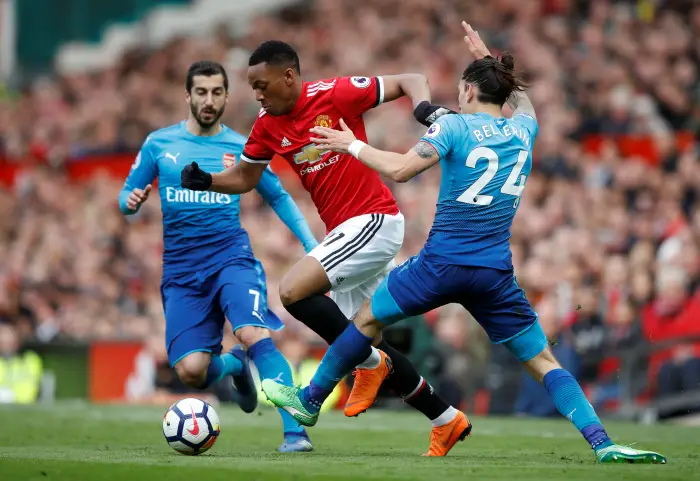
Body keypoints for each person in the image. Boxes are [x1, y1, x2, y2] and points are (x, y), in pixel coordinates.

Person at [261, 22, 668, 465]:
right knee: (543, 361)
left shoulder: (454, 128)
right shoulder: (524, 131)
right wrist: (492, 59)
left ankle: (311, 400)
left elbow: (399, 170)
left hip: (440, 265)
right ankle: (602, 443)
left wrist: (350, 144)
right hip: (493, 274)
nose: (456, 97)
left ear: (470, 92)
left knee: (364, 321)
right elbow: (522, 101)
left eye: (460, 90)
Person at [180, 40, 467, 456]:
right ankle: (446, 419)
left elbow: (411, 80)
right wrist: (207, 180)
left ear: (289, 77)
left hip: (374, 219)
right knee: (363, 341)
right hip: (349, 232)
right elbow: (244, 177)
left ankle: (359, 369)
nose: (257, 94)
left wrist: (424, 110)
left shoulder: (334, 94)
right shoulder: (267, 124)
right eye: (252, 86)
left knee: (293, 291)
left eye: (262, 85)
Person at [118, 60, 318, 453]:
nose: (209, 101)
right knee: (192, 372)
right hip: (181, 271)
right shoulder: (160, 144)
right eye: (201, 92)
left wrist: (312, 245)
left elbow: (277, 195)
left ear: (227, 96)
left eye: (217, 92)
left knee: (253, 332)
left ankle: (295, 432)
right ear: (188, 96)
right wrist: (131, 201)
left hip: (231, 258)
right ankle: (233, 365)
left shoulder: (242, 146)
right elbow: (126, 195)